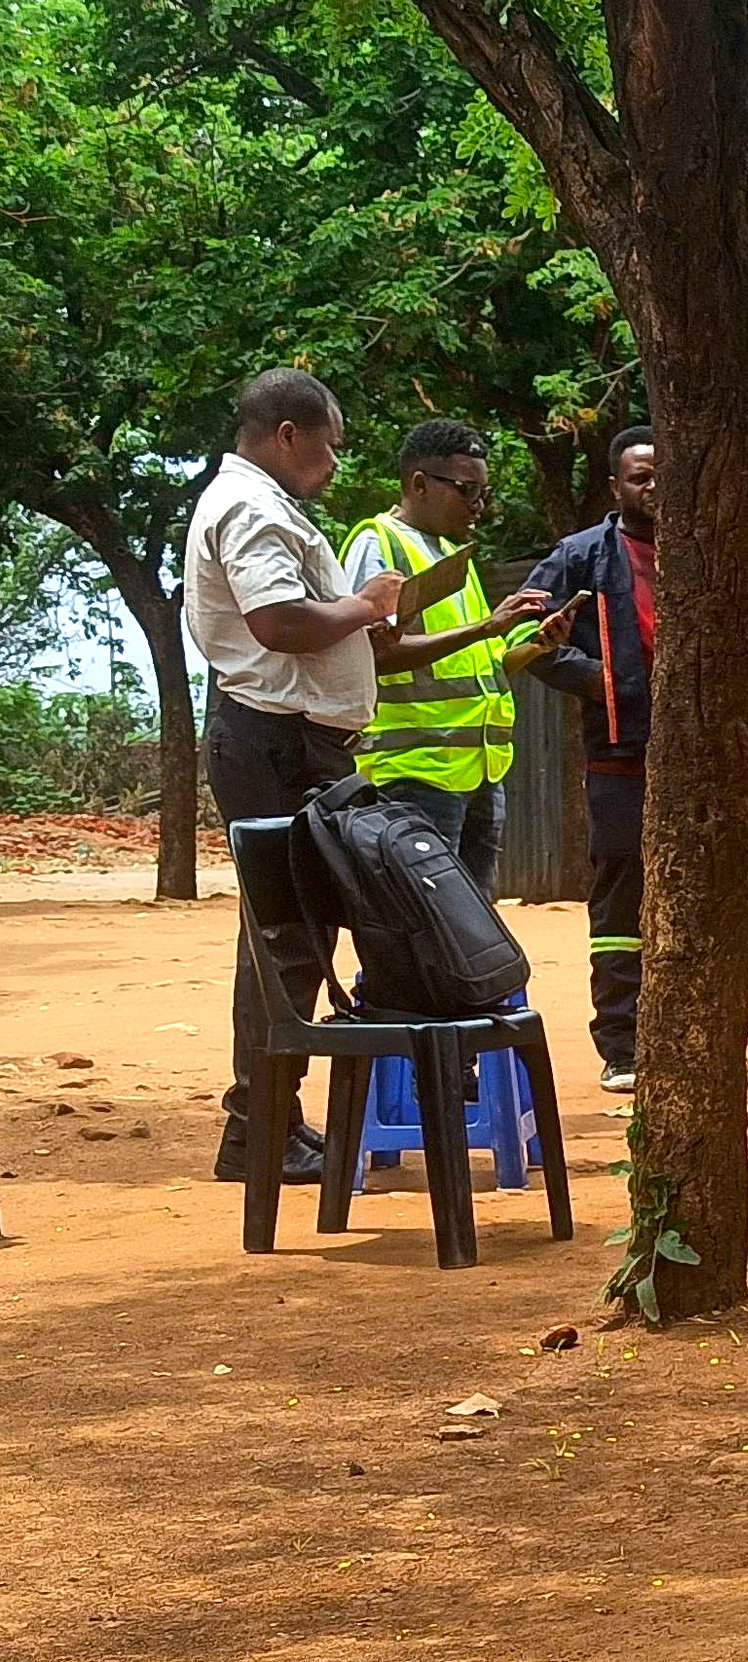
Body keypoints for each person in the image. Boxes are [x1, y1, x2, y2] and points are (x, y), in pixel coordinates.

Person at [186, 368, 404, 1183]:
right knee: (286, 941)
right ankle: (260, 1130)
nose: (335, 465)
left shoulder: (263, 505)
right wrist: (368, 604)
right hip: (274, 744)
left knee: (295, 939)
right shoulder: (247, 506)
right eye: (331, 446)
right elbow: (276, 622)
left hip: (289, 741)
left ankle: (270, 1123)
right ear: (289, 434)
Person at [338, 421, 557, 892]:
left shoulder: (454, 557)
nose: (479, 505)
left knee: (469, 928)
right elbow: (369, 656)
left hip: (477, 774)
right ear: (419, 484)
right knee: (421, 923)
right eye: (467, 490)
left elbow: (483, 667)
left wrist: (535, 644)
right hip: (412, 775)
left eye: (484, 491)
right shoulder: (380, 544)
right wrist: (486, 626)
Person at [518, 426, 658, 1094]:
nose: (653, 487)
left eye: (663, 474)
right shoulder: (582, 555)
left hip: (692, 763)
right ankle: (621, 1043)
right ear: (615, 486)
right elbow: (523, 639)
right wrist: (606, 678)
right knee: (619, 903)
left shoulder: (702, 555)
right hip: (618, 756)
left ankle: (676, 1032)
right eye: (640, 476)